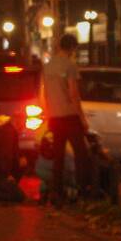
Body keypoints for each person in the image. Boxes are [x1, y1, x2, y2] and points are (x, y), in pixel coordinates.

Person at [42, 33, 92, 206]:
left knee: (58, 156)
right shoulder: (70, 66)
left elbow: (45, 95)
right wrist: (82, 118)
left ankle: (56, 192)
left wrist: (48, 114)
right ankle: (83, 190)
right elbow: (73, 93)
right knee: (81, 153)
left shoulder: (48, 66)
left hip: (55, 117)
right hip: (69, 115)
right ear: (72, 48)